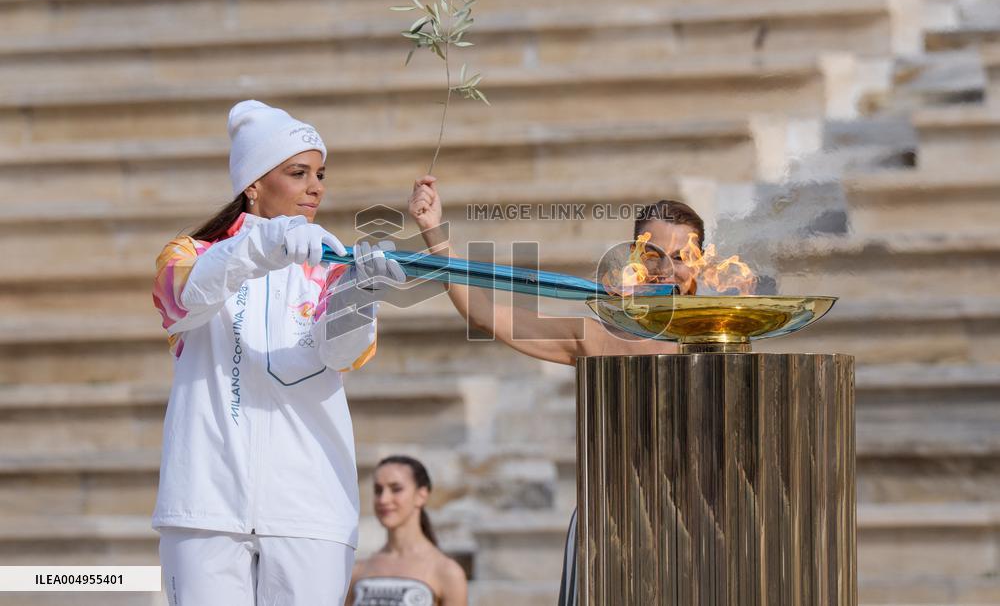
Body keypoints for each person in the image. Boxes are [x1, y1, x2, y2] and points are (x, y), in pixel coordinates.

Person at [407, 175, 706, 605]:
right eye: (655, 254)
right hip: (610, 523)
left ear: (700, 262)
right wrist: (433, 231)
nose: (667, 269)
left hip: (697, 524)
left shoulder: (723, 334)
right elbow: (485, 315)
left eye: (681, 257)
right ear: (635, 257)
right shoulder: (597, 336)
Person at [151, 99, 405, 605]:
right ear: (253, 183)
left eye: (320, 174)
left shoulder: (331, 265)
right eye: (298, 172)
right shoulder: (191, 255)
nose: (316, 187)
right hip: (205, 507)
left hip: (309, 509)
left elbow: (342, 354)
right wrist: (264, 245)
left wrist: (360, 295)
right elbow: (182, 301)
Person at [348, 455, 468, 605]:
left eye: (396, 489)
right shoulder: (358, 571)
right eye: (378, 490)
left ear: (421, 495)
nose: (383, 499)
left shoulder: (447, 572)